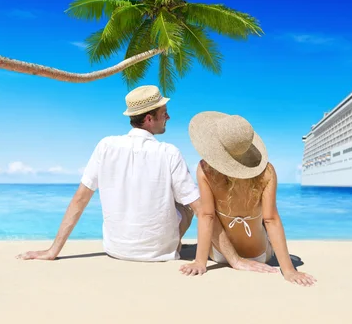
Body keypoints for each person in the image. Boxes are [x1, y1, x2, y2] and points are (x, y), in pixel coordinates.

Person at [16, 86, 272, 275]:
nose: (168, 117)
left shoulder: (105, 145)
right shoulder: (168, 152)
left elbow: (80, 200)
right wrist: (236, 260)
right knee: (188, 203)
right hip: (159, 254)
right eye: (164, 113)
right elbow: (203, 212)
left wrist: (53, 251)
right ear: (149, 119)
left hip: (116, 250)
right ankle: (174, 241)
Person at [179, 111, 317, 286]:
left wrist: (200, 262)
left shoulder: (205, 169)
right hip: (259, 255)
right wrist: (289, 270)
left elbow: (207, 216)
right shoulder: (266, 172)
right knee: (264, 228)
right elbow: (271, 219)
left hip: (219, 255)